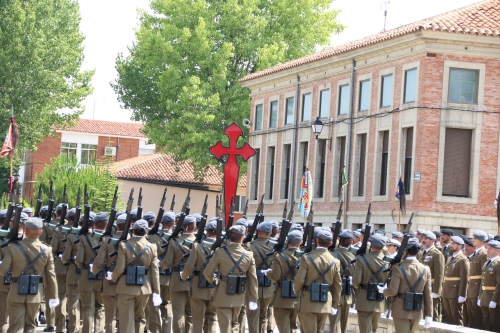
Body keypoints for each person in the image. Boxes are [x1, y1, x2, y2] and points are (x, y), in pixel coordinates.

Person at [0, 217, 59, 333]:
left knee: (15, 325)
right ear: (41, 232)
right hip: (35, 293)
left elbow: (3, 271)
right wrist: (53, 296)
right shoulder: (47, 250)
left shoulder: (13, 247)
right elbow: (51, 276)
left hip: (16, 292)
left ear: (25, 230)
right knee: (30, 325)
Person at [107, 219, 161, 333]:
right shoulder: (152, 246)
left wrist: (113, 276)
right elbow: (155, 271)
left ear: (133, 231)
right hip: (144, 288)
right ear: (146, 232)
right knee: (140, 319)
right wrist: (157, 292)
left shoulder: (123, 245)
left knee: (126, 320)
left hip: (125, 287)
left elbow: (120, 268)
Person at [203, 225, 258, 333]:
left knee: (225, 326)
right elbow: (253, 279)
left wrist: (213, 280)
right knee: (234, 323)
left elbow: (207, 272)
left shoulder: (220, 252)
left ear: (229, 237)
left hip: (222, 295)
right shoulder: (249, 255)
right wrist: (253, 299)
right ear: (242, 238)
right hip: (239, 295)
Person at [380, 237, 433, 333]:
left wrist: (382, 291)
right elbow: (428, 294)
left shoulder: (398, 268)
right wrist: (428, 315)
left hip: (400, 310)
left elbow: (392, 291)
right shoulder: (426, 269)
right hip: (417, 310)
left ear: (405, 251)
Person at [294, 230, 342, 333]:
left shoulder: (306, 258)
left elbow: (299, 280)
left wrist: (297, 292)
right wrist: (335, 304)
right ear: (330, 243)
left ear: (316, 240)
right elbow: (337, 286)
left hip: (307, 300)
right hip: (325, 301)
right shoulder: (335, 261)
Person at [159, 215, 196, 333]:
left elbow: (166, 263)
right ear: (194, 227)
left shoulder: (174, 241)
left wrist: (159, 263)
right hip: (194, 281)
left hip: (177, 282)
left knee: (178, 314)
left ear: (182, 226)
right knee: (190, 313)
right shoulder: (199, 242)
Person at [92, 211, 127, 333]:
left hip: (108, 281)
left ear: (117, 225)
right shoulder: (130, 240)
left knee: (110, 316)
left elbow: (99, 260)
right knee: (124, 316)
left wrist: (94, 270)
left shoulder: (107, 239)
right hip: (127, 282)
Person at [180, 220, 217, 333]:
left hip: (197, 286)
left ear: (207, 231)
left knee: (197, 319)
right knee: (211, 318)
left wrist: (184, 276)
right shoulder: (222, 246)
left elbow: (190, 266)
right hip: (214, 286)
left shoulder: (197, 246)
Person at [264, 230, 301, 333]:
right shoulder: (305, 256)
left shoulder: (279, 256)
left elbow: (275, 276)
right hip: (297, 298)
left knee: (283, 329)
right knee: (293, 326)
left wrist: (267, 273)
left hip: (281, 298)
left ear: (288, 241)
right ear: (301, 242)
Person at [76, 212, 107, 333]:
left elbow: (79, 259)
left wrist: (81, 265)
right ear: (107, 224)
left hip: (86, 275)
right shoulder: (109, 239)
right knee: (100, 307)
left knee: (87, 307)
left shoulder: (84, 238)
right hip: (103, 277)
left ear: (94, 224)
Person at [352, 233, 390, 333]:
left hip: (364, 298)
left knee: (365, 330)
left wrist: (356, 287)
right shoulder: (388, 262)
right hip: (379, 298)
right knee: (374, 329)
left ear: (371, 245)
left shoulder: (362, 259)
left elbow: (356, 281)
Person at [248, 221, 275, 333]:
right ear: (269, 233)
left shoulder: (250, 245)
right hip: (269, 286)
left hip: (254, 286)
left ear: (257, 232)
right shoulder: (274, 247)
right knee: (263, 315)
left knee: (253, 316)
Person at [329, 230, 356, 333]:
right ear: (351, 243)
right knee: (344, 324)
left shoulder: (332, 254)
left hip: (335, 293)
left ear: (339, 240)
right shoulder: (353, 256)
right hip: (348, 295)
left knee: (334, 324)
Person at [61, 208, 81, 333]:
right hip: (90, 273)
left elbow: (65, 257)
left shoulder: (70, 234)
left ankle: (73, 328)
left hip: (73, 271)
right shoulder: (93, 234)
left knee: (72, 301)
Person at [49, 204, 69, 333]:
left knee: (60, 296)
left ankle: (60, 328)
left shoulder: (57, 229)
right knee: (74, 298)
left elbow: (54, 248)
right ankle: (73, 326)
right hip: (76, 268)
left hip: (60, 266)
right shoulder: (78, 229)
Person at [442, 235, 469, 326]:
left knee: (456, 318)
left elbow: (465, 279)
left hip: (455, 293)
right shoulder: (450, 258)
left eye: (453, 244)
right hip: (446, 291)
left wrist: (462, 295)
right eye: (450, 243)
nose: (451, 245)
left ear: (460, 246)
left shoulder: (463, 260)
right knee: (448, 318)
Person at [418, 231, 444, 323]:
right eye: (423, 238)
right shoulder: (422, 253)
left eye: (426, 239)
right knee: (423, 311)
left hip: (432, 287)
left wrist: (436, 291)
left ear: (432, 241)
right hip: (422, 286)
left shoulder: (437, 254)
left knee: (432, 313)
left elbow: (439, 274)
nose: (423, 240)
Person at [466, 230, 488, 330]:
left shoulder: (483, 254)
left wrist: (481, 293)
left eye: (475, 238)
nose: (472, 240)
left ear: (480, 240)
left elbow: (484, 274)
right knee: (471, 316)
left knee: (477, 317)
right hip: (471, 287)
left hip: (477, 288)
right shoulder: (476, 253)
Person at [478, 239, 500, 331]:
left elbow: (499, 284)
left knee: (494, 324)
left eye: (490, 248)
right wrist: (480, 297)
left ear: (498, 251)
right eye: (488, 248)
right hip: (485, 297)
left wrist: (495, 300)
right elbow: (482, 281)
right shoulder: (487, 262)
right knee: (486, 323)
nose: (487, 250)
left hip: (493, 297)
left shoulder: (498, 263)